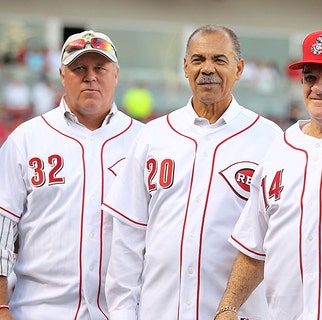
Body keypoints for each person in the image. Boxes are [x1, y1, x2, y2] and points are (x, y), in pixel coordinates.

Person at [102, 24, 281, 319]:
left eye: (219, 60)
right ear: (185, 67)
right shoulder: (153, 135)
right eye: (198, 60)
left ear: (239, 68)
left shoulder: (269, 138)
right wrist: (122, 312)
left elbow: (276, 239)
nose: (207, 69)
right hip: (160, 311)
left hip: (238, 313)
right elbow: (128, 238)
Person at [215, 28, 322, 320]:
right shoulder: (280, 147)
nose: (319, 87)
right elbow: (254, 244)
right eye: (311, 77)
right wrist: (228, 307)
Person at [0, 30, 143, 319]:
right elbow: (2, 231)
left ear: (116, 74)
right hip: (38, 311)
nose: (90, 76)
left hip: (123, 312)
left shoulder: (145, 140)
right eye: (79, 68)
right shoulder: (26, 138)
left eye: (100, 68)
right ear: (62, 75)